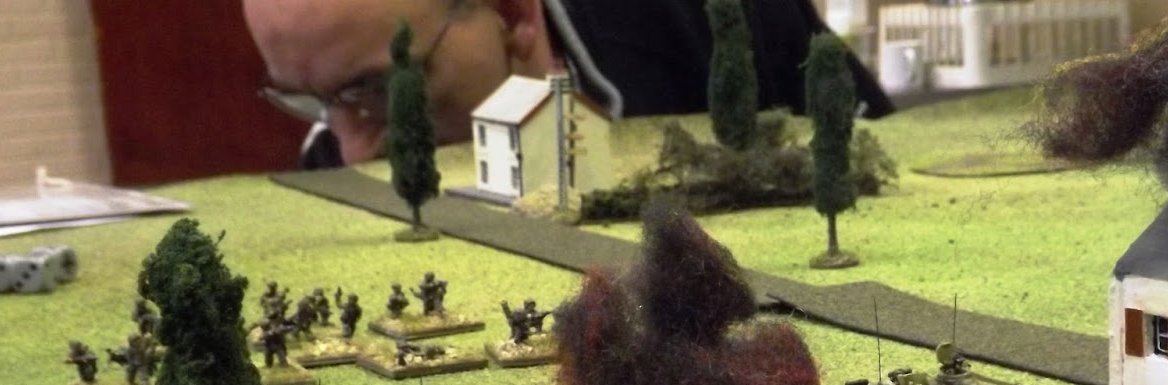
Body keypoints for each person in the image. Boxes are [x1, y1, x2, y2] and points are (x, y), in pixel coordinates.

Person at [244, 0, 894, 168]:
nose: (354, 151)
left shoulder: (720, 23)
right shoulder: (332, 155)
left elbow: (882, 157)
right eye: (313, 100)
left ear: (512, 16)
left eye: (382, 90)